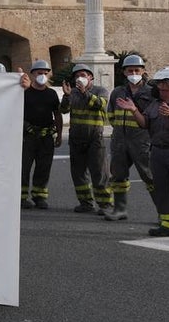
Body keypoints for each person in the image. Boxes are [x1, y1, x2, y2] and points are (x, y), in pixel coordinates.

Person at [118, 66, 169, 246]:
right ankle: (167, 224)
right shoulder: (155, 103)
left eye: (161, 86)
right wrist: (134, 110)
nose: (158, 89)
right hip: (158, 151)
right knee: (162, 190)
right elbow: (145, 124)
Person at [105, 54, 156, 222]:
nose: (133, 73)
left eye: (137, 70)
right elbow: (111, 115)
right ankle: (120, 209)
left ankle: (164, 214)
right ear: (124, 73)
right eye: (130, 70)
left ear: (143, 71)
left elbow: (153, 119)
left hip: (142, 141)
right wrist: (120, 130)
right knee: (118, 175)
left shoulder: (151, 92)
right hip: (119, 140)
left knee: (150, 176)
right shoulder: (118, 92)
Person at [61, 63, 112, 215]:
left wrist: (85, 93)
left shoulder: (100, 90)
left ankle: (105, 204)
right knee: (78, 173)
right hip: (76, 139)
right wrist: (67, 95)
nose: (80, 78)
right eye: (77, 76)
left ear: (91, 77)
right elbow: (63, 110)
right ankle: (85, 203)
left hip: (95, 139)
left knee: (99, 173)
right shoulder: (72, 92)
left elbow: (100, 104)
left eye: (83, 75)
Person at [20, 60, 62, 209]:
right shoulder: (24, 92)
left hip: (46, 136)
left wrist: (60, 134)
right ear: (32, 74)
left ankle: (39, 196)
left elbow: (57, 114)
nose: (43, 76)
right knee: (24, 168)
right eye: (39, 73)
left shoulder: (51, 94)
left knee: (43, 168)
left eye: (45, 73)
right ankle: (22, 197)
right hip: (28, 136)